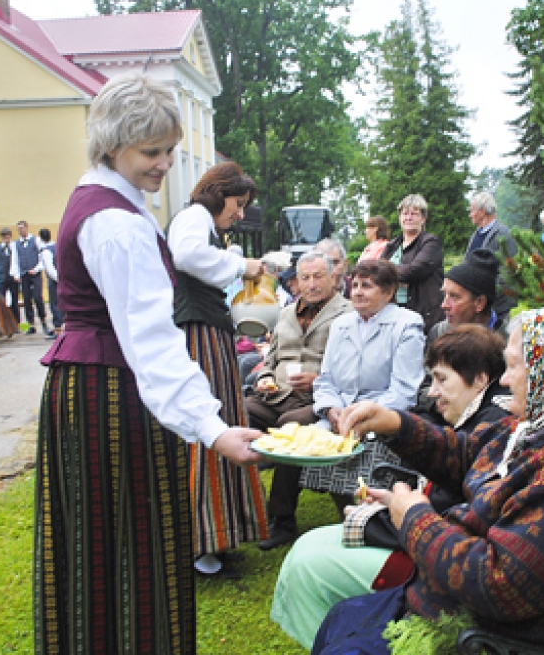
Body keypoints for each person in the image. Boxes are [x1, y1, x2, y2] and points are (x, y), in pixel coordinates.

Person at [35, 72, 262, 654]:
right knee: (127, 542)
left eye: (168, 149)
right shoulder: (118, 224)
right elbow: (152, 343)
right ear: (113, 145)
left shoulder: (105, 201)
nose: (165, 163)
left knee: (99, 545)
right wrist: (212, 429)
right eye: (151, 151)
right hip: (109, 395)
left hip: (92, 386)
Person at [312, 307, 544, 654]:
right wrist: (395, 424)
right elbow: (471, 457)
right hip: (479, 615)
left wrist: (415, 519)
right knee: (342, 619)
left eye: (514, 366)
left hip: (518, 638)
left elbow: (502, 585)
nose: (503, 380)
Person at [271, 326, 510, 648]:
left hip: (436, 564)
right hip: (430, 544)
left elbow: (465, 520)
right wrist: (391, 505)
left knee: (307, 564)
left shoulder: (498, 423)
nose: (432, 392)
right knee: (307, 548)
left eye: (442, 379)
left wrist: (374, 521)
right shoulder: (487, 417)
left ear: (480, 379)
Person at [168, 161, 269, 579]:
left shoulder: (205, 226)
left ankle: (218, 536)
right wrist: (241, 265)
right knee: (208, 426)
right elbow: (186, 255)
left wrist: (230, 258)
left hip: (210, 334)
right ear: (219, 192)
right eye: (238, 203)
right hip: (198, 337)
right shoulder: (193, 217)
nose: (240, 213)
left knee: (223, 421)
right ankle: (201, 544)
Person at [298, 260, 425, 516]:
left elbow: (404, 390)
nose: (356, 292)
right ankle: (345, 513)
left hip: (382, 415)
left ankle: (371, 517)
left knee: (371, 448)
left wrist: (362, 416)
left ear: (389, 292)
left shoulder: (406, 324)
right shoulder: (341, 324)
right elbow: (326, 379)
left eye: (366, 286)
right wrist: (331, 409)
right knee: (313, 438)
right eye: (354, 285)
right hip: (340, 413)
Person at [247, 251, 354, 551]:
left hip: (320, 398)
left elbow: (351, 367)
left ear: (333, 277)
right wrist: (263, 378)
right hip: (276, 394)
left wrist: (318, 378)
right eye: (305, 277)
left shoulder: (348, 314)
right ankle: (240, 513)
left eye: (318, 276)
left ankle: (282, 519)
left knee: (290, 426)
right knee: (237, 412)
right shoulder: (285, 312)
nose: (311, 283)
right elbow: (271, 358)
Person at [380, 194, 445, 334]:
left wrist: (389, 275)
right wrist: (399, 276)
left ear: (423, 218)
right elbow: (377, 272)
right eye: (405, 213)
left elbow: (415, 271)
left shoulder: (430, 242)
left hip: (423, 313)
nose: (408, 217)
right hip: (393, 310)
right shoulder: (392, 245)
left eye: (414, 214)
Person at [427, 248, 507, 345]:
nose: (444, 305)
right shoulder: (439, 334)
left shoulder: (510, 344)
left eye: (454, 296)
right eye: (444, 294)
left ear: (479, 303)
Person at [467, 191, 518, 317]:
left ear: (482, 211)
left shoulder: (504, 234)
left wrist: (488, 294)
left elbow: (509, 271)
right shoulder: (476, 235)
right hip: (478, 303)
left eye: (472, 211)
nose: (470, 215)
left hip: (497, 306)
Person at [15, 220, 55, 338]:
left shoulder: (36, 240)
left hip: (35, 273)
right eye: (18, 229)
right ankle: (31, 324)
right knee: (27, 299)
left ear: (27, 228)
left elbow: (43, 256)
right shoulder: (16, 243)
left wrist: (37, 269)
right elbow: (15, 259)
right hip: (24, 274)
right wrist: (16, 274)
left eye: (22, 228)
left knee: (38, 297)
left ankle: (44, 322)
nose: (20, 231)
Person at [0, 226, 21, 323]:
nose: (6, 238)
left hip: (13, 277)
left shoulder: (15, 246)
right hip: (2, 277)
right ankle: (3, 322)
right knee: (1, 300)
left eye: (8, 235)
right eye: (4, 236)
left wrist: (17, 275)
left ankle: (16, 321)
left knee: (14, 301)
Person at [38, 228, 64, 331]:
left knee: (55, 304)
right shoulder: (58, 247)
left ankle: (58, 328)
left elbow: (50, 269)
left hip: (55, 281)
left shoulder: (46, 251)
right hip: (63, 279)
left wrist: (59, 279)